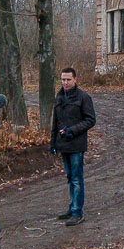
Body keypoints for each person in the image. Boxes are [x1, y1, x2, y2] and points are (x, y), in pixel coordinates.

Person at [49, 67, 96, 226]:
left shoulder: (83, 97)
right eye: (63, 80)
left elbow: (90, 120)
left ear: (75, 80)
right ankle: (72, 207)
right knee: (70, 177)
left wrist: (72, 130)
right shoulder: (59, 96)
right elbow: (55, 121)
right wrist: (52, 142)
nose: (65, 82)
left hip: (76, 144)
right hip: (63, 144)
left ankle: (77, 212)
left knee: (77, 178)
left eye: (68, 79)